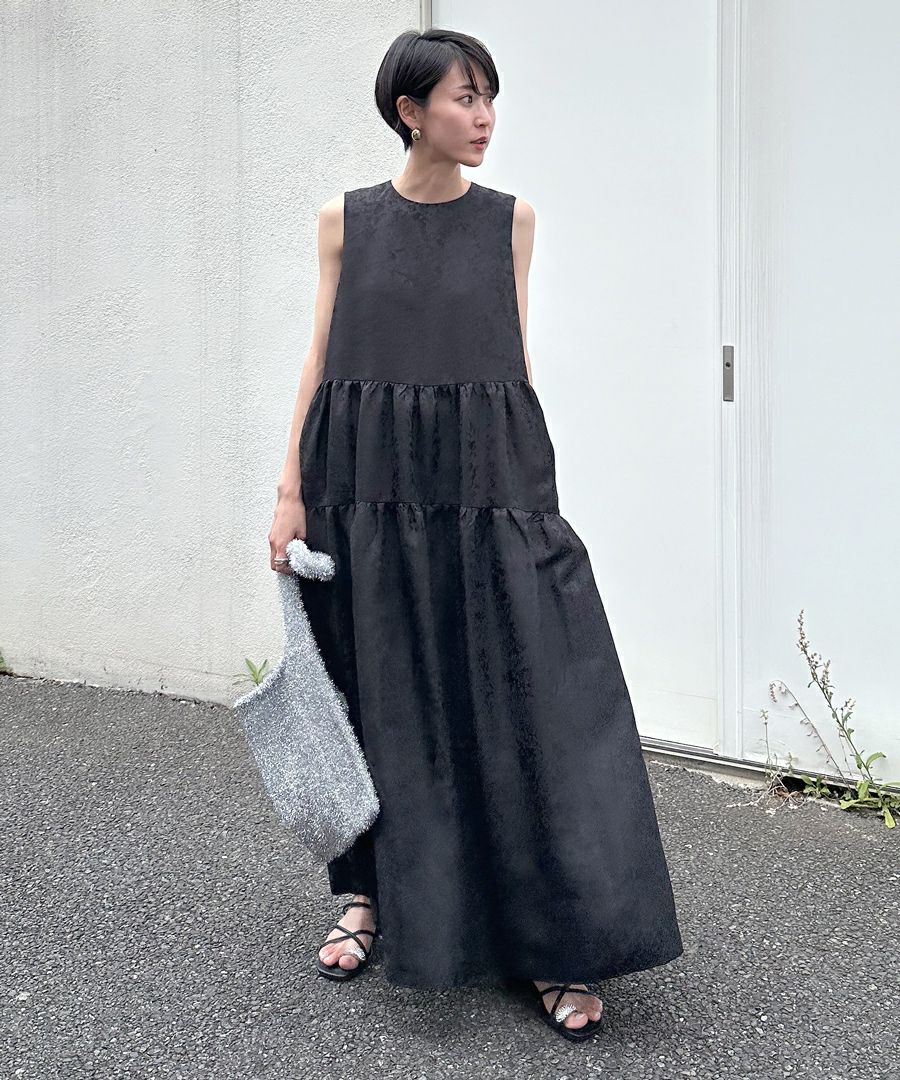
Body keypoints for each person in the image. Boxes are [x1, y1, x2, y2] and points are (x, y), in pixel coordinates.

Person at [267, 27, 683, 1042]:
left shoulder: (511, 222)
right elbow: (320, 356)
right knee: (377, 691)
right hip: (365, 485)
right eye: (465, 98)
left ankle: (553, 937)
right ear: (410, 112)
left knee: (521, 700)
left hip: (483, 485)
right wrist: (290, 492)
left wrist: (530, 499)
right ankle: (368, 897)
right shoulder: (344, 221)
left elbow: (515, 365)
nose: (486, 116)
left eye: (490, 96)